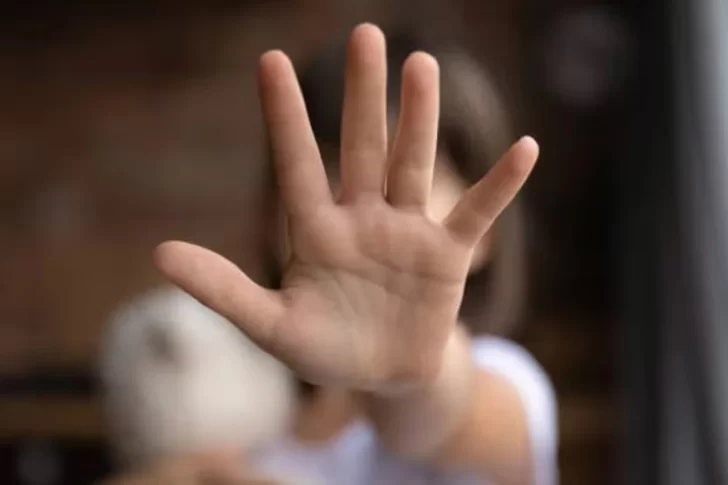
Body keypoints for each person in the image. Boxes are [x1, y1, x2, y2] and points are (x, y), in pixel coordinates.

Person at [109, 23, 557, 485]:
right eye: (326, 170)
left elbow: (438, 416)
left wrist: (403, 375)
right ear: (270, 213)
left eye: (397, 189)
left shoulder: (508, 384)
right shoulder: (248, 420)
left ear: (485, 235)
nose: (354, 211)